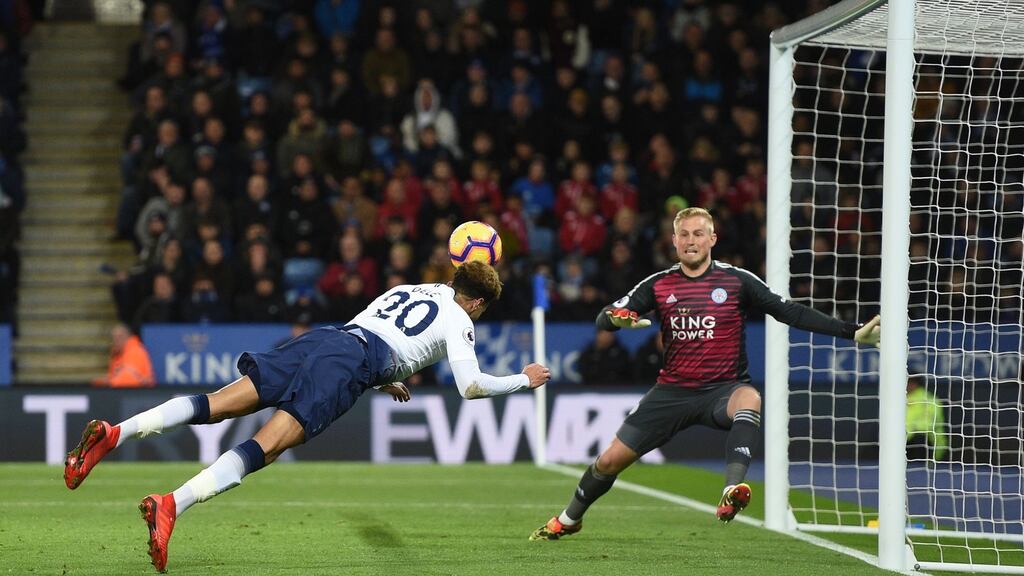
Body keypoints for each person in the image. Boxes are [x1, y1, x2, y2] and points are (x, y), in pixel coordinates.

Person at [63, 262, 551, 572]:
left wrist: (382, 377)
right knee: (271, 443)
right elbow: (469, 385)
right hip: (347, 366)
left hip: (326, 339)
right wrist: (521, 380)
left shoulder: (413, 287)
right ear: (479, 302)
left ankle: (114, 433)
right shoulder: (462, 318)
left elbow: (370, 331)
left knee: (217, 404)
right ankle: (172, 504)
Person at [530, 207, 881, 540]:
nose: (691, 240)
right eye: (683, 234)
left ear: (713, 239)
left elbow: (789, 312)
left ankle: (732, 487)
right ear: (674, 241)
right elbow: (606, 316)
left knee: (750, 398)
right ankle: (569, 519)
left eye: (698, 233)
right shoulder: (659, 284)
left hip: (722, 391)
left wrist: (852, 331)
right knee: (608, 462)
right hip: (671, 393)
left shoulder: (737, 281)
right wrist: (615, 319)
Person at [906, 376, 948, 462]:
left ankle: (921, 469)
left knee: (920, 439)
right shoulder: (897, 398)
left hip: (928, 441)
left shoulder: (928, 399)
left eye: (910, 382)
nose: (907, 385)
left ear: (915, 384)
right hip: (905, 439)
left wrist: (908, 432)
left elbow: (929, 423)